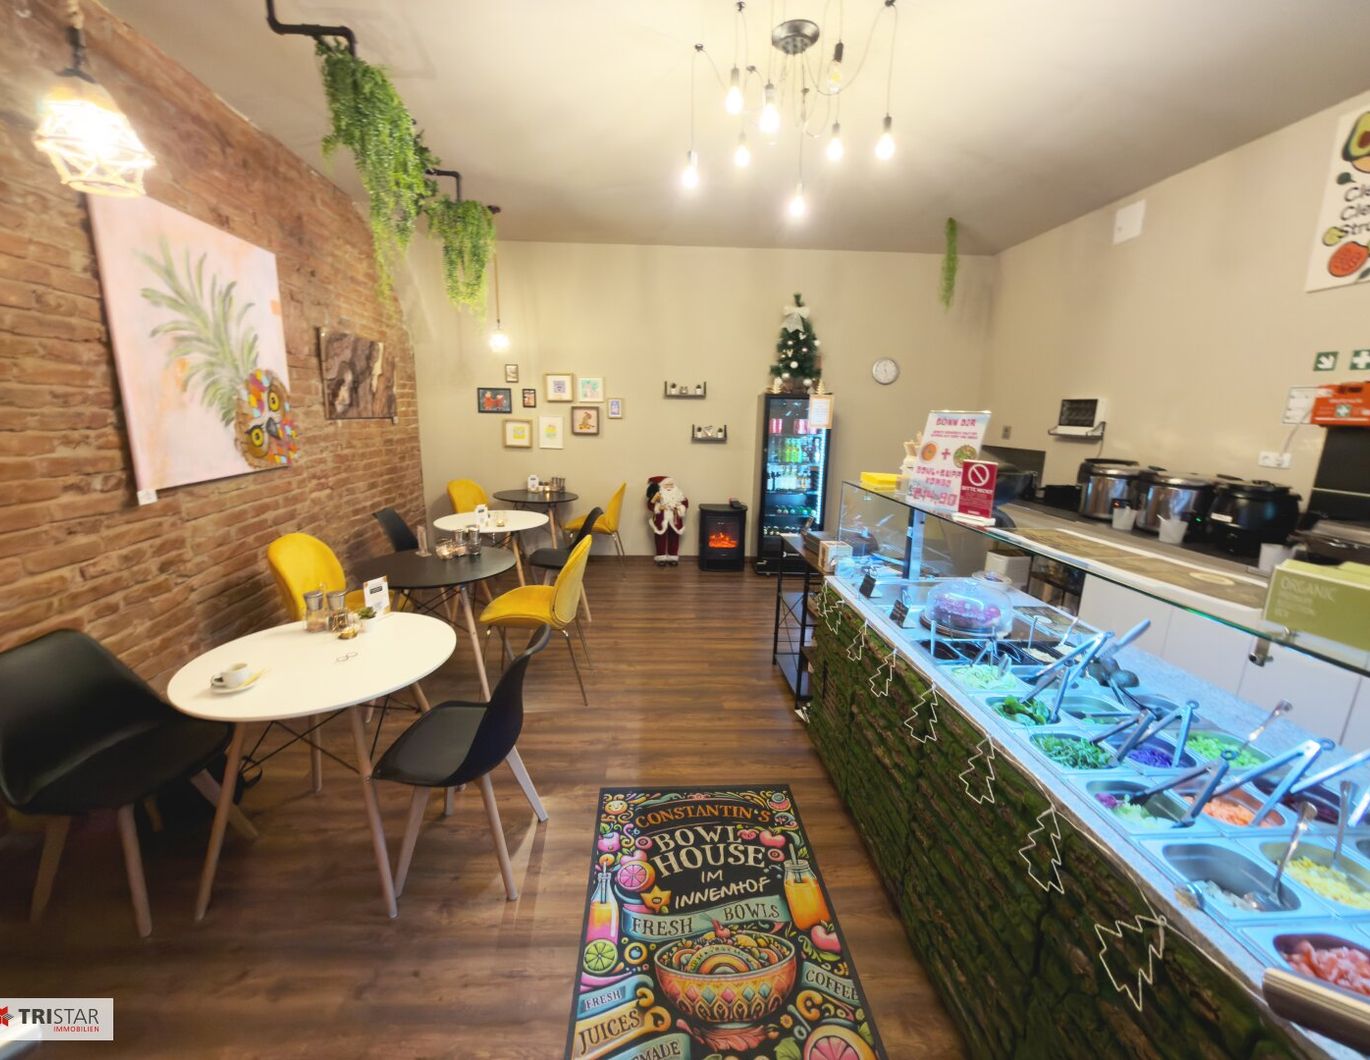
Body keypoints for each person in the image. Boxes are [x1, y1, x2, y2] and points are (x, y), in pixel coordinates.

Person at [646, 476, 688, 566]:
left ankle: (673, 557)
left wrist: (680, 507)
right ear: (661, 486)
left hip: (675, 520)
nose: (669, 487)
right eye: (666, 485)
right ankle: (661, 557)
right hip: (661, 520)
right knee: (660, 538)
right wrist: (658, 507)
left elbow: (685, 503)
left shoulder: (678, 494)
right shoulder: (658, 495)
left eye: (671, 485)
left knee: (674, 538)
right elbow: (650, 505)